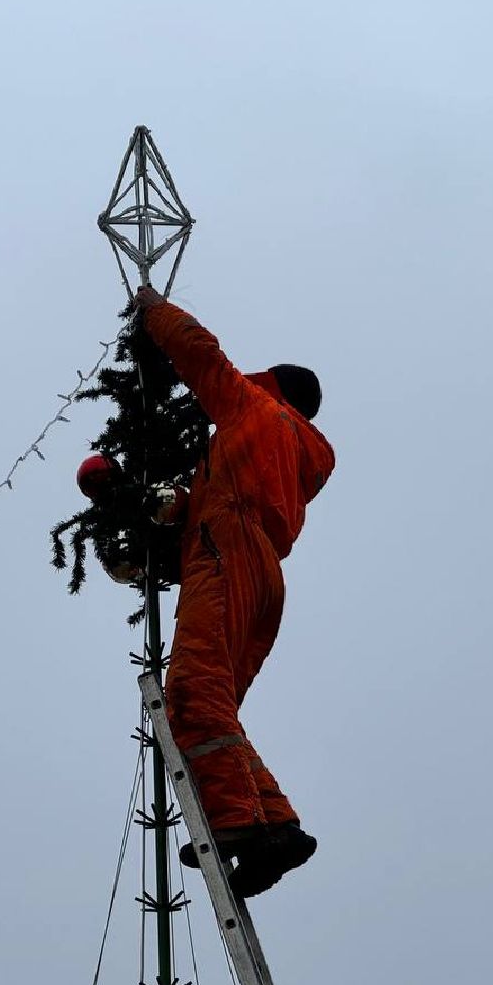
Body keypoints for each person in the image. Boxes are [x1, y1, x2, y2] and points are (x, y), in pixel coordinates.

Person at [134, 284, 335, 898]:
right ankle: (274, 825)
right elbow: (227, 497)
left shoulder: (254, 410)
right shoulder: (292, 450)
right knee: (214, 707)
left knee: (193, 696)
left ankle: (235, 823)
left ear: (274, 387)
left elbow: (201, 354)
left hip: (228, 555)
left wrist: (153, 311)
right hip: (262, 575)